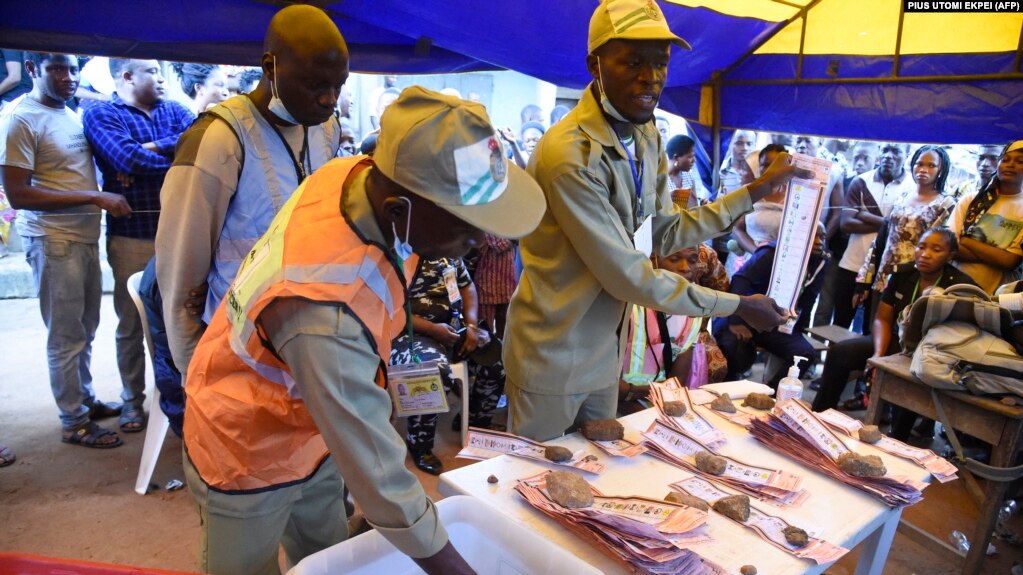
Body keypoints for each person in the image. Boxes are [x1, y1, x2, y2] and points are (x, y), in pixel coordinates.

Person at [182, 85, 544, 575]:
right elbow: (379, 474)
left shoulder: (351, 176)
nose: (480, 238)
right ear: (399, 210)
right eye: (467, 224)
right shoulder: (322, 312)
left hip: (313, 424)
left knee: (328, 555)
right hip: (246, 443)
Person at [503, 0, 809, 442]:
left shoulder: (643, 134)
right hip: (551, 354)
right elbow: (629, 277)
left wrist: (755, 191)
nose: (651, 77)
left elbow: (667, 231)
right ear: (595, 65)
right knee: (529, 486)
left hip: (604, 351)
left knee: (598, 476)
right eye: (632, 62)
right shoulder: (568, 156)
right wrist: (737, 305)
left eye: (660, 62)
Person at [156, 4, 344, 374]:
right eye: (317, 85)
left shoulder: (327, 129)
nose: (330, 99)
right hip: (233, 343)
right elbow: (179, 276)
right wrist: (196, 372)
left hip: (306, 339)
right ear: (270, 67)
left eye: (339, 85)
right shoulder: (218, 139)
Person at [1, 52, 131, 447]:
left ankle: (84, 400)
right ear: (31, 70)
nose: (68, 77)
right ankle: (73, 420)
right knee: (65, 335)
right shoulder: (20, 119)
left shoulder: (70, 112)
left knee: (86, 328)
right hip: (54, 240)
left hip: (83, 236)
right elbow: (19, 194)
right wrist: (94, 196)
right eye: (57, 69)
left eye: (73, 69)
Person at [83, 58, 195, 433]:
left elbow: (195, 145)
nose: (162, 78)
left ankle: (185, 401)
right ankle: (133, 401)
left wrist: (153, 147)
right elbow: (124, 156)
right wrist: (174, 158)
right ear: (127, 75)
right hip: (133, 235)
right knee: (132, 323)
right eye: (153, 72)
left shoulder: (177, 111)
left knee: (181, 319)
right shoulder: (102, 113)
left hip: (178, 235)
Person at [811, 228, 977, 413]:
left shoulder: (960, 285)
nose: (925, 254)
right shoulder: (902, 273)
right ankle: (820, 414)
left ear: (950, 255)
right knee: (840, 353)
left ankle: (898, 434)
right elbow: (882, 319)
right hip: (894, 340)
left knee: (914, 381)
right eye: (921, 247)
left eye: (936, 250)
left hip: (929, 353)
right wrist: (878, 356)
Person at [391, 257, 507, 475]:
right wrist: (433, 329)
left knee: (498, 360)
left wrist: (471, 324)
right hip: (409, 333)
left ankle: (475, 423)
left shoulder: (448, 253)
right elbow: (388, 309)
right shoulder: (397, 256)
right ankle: (420, 443)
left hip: (455, 327)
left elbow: (467, 286)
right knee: (432, 372)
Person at [713, 223, 828, 388]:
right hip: (746, 316)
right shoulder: (773, 253)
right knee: (732, 345)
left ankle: (769, 395)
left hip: (777, 323)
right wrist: (736, 321)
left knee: (805, 353)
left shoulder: (820, 262)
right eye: (814, 236)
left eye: (822, 237)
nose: (819, 242)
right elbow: (740, 279)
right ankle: (727, 389)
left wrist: (797, 330)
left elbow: (808, 300)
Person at [619, 246, 730, 414]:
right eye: (674, 259)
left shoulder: (692, 314)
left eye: (692, 261)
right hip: (615, 404)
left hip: (652, 404)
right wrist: (638, 399)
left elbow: (677, 382)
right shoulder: (626, 307)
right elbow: (602, 383)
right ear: (653, 261)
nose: (685, 267)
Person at [835, 143, 915, 330]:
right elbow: (846, 224)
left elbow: (904, 230)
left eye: (895, 151)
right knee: (839, 325)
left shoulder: (912, 187)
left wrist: (862, 214)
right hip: (852, 264)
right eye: (885, 149)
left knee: (871, 330)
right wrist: (889, 222)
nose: (888, 155)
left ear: (907, 154)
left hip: (885, 272)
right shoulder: (861, 181)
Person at [855, 145, 953, 295]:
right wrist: (865, 280)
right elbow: (881, 240)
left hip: (914, 280)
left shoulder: (945, 204)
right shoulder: (902, 198)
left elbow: (940, 249)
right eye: (919, 164)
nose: (923, 169)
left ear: (941, 170)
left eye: (931, 165)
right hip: (883, 276)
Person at [948, 140, 1023, 293]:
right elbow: (950, 247)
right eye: (1006, 160)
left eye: (1019, 161)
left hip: (997, 295)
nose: (1010, 164)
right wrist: (996, 255)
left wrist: (966, 240)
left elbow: (1010, 261)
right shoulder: (971, 200)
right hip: (955, 287)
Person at [731, 144, 787, 254]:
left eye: (776, 164)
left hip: (784, 261)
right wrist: (758, 254)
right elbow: (736, 229)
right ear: (759, 167)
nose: (770, 169)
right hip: (751, 258)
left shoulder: (795, 196)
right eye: (765, 165)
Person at [665, 134, 706, 209]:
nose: (694, 161)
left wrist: (701, 207)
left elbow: (694, 209)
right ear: (676, 157)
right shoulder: (660, 179)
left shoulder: (689, 177)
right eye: (690, 157)